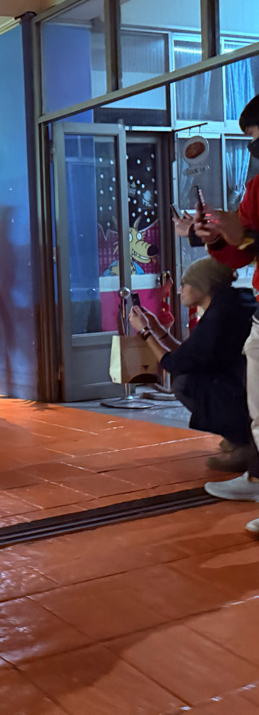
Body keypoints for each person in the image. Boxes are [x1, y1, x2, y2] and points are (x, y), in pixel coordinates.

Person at [186, 95, 259, 532]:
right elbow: (239, 253)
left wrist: (245, 235)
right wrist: (215, 236)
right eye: (252, 141)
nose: (255, 149)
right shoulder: (256, 186)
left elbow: (249, 241)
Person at [130, 259, 255, 471]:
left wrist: (145, 332)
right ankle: (241, 437)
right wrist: (156, 328)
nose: (180, 290)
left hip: (240, 387)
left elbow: (175, 364)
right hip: (243, 381)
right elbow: (190, 354)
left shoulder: (219, 316)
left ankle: (243, 443)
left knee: (184, 383)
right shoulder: (232, 304)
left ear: (201, 285)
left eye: (184, 284)